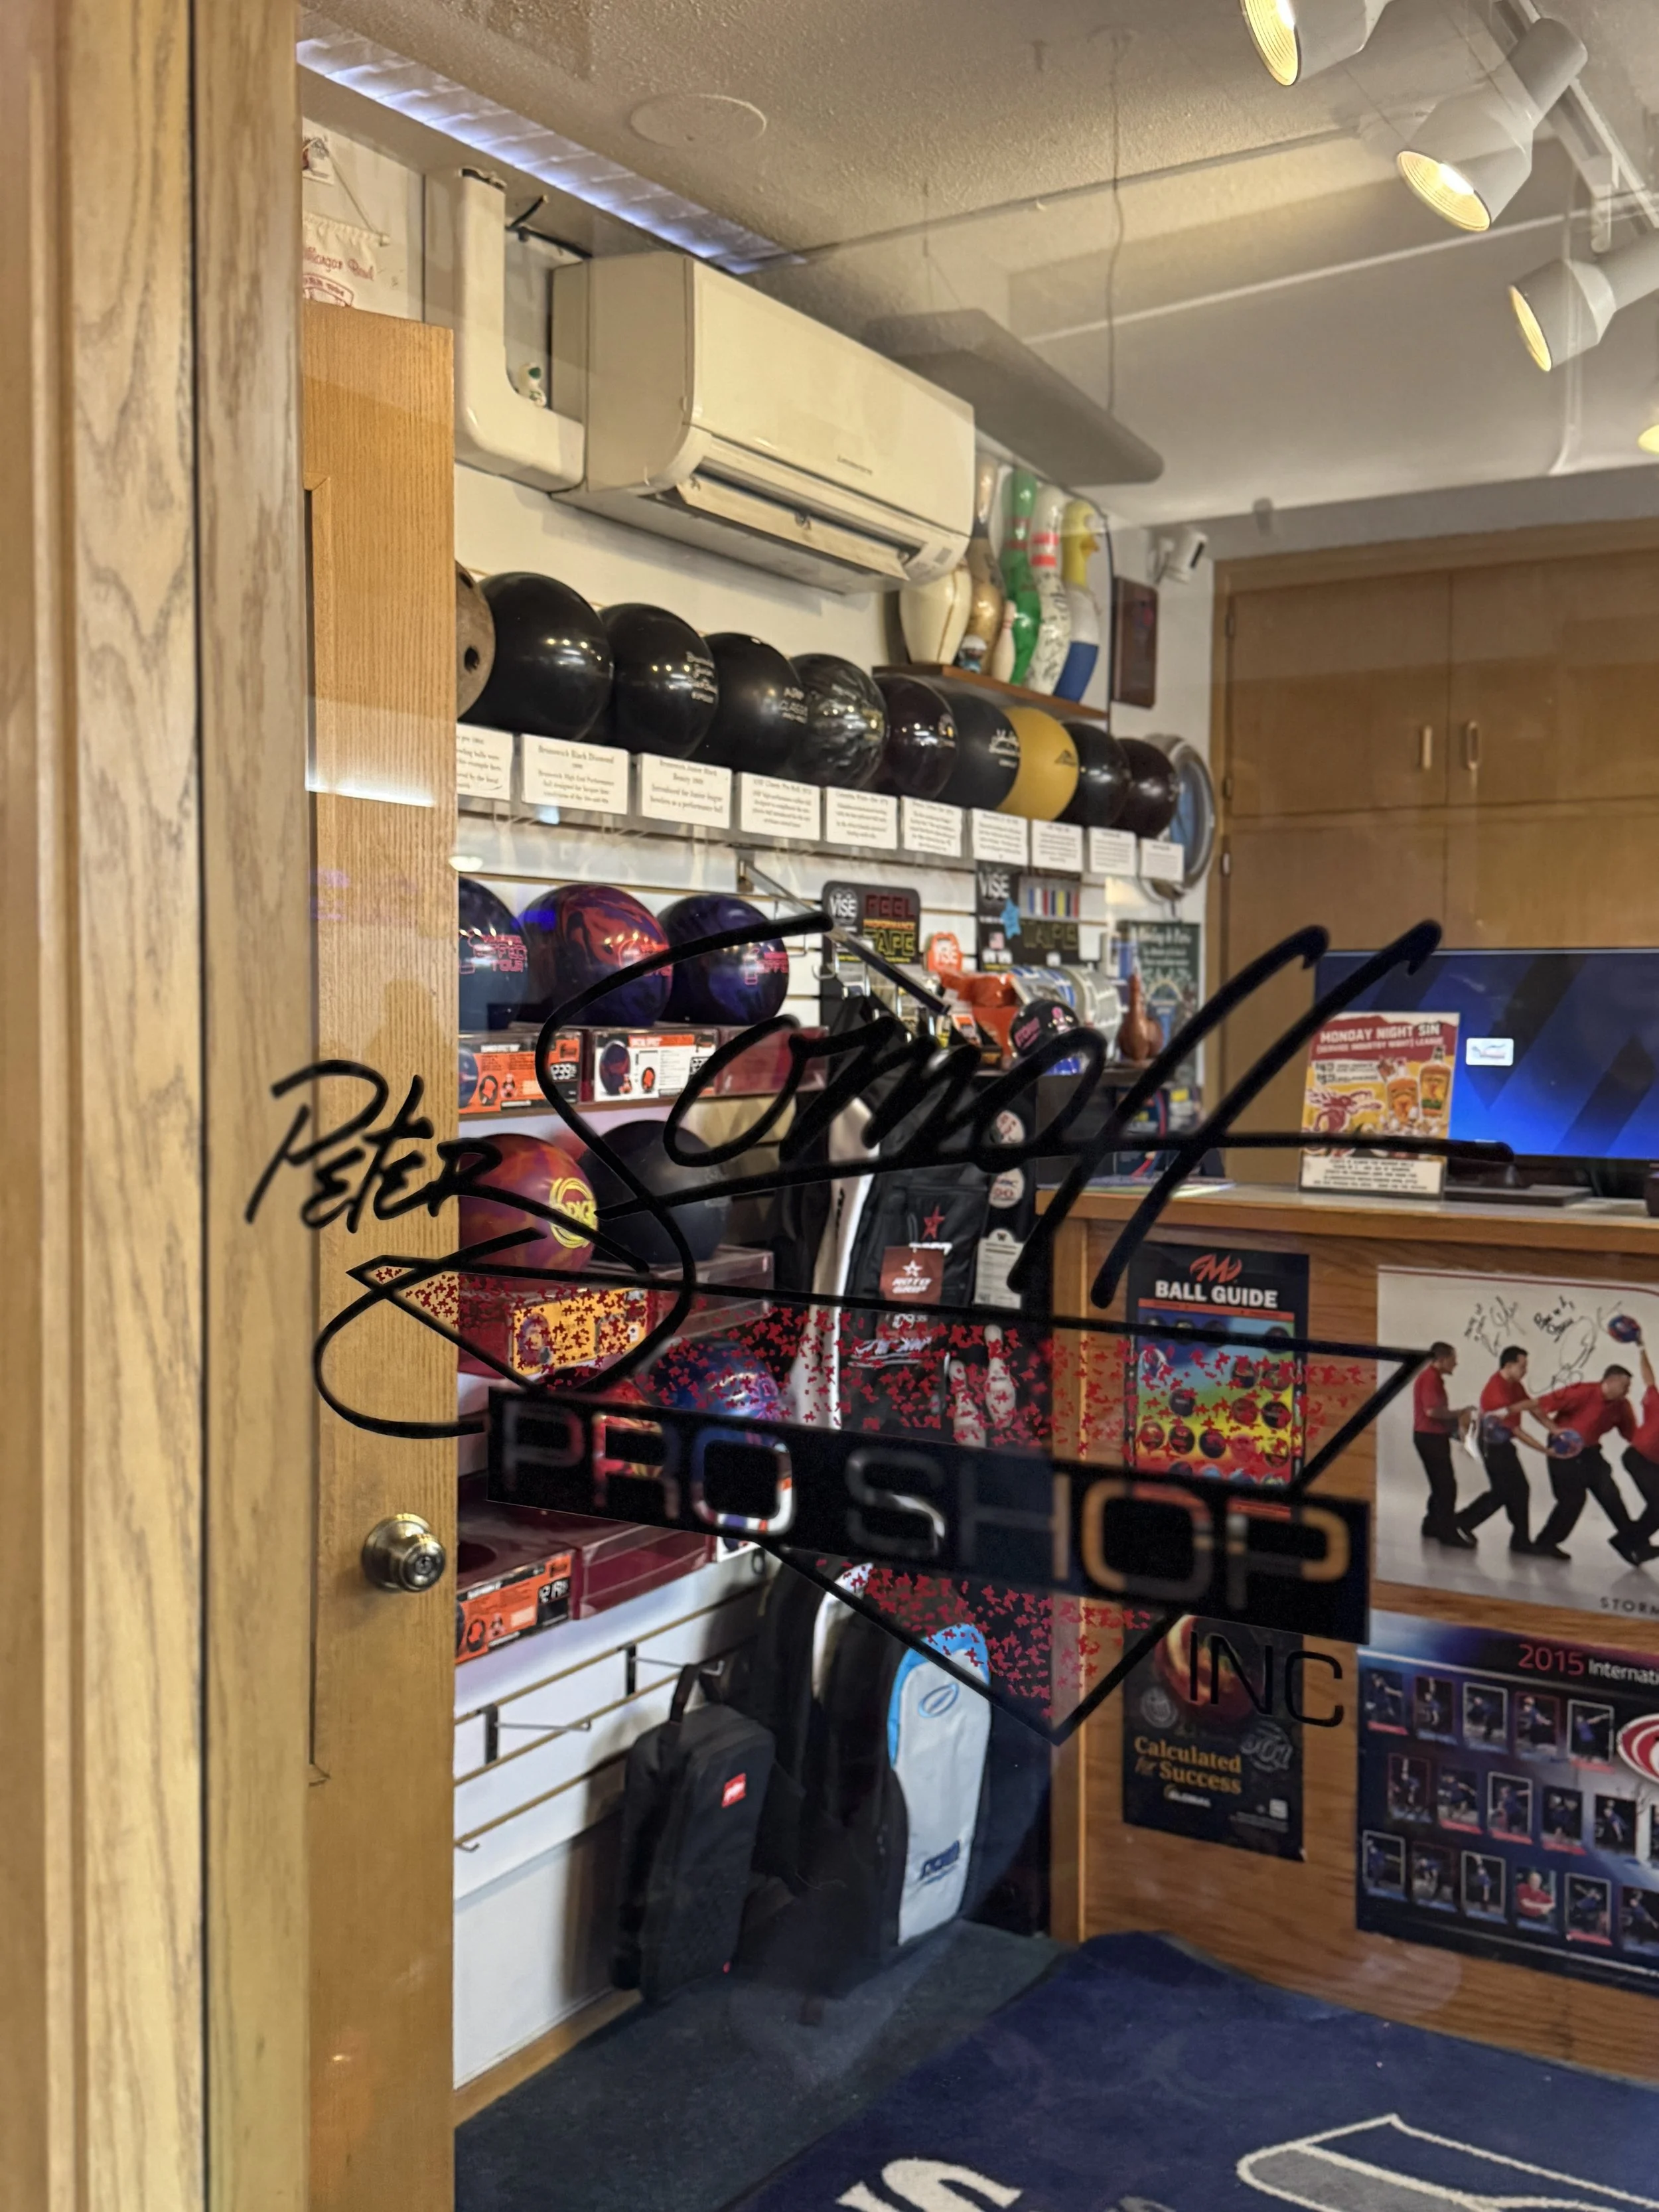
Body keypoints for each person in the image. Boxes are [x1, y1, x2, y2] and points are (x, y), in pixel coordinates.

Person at [1532, 1364, 1656, 1565]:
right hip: (1564, 1449)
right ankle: (1545, 1543)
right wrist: (1555, 1430)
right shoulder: (1581, 1392)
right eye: (1625, 1386)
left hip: (1590, 1453)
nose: (1628, 1391)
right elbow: (1537, 1406)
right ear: (1610, 1382)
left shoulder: (1622, 1406)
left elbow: (1632, 1434)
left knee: (1611, 1495)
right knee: (1572, 1500)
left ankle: (1633, 1544)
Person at [1455, 1344, 1546, 1551]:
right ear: (1509, 1365)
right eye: (1523, 1366)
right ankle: (1461, 1522)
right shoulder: (1497, 1393)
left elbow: (1533, 1407)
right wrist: (1545, 1450)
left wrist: (1555, 1429)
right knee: (1503, 1491)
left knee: (1519, 1489)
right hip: (1491, 1445)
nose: (1526, 1371)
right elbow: (1517, 1431)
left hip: (1503, 1444)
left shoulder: (1514, 1385)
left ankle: (1520, 1540)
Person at [1411, 1342, 1475, 1546]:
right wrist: (1460, 1413)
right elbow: (1432, 1411)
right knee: (1446, 1487)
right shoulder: (1430, 1379)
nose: (1456, 1363)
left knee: (1440, 1486)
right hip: (1430, 1438)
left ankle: (1431, 1525)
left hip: (1431, 1437)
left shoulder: (1432, 1378)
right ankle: (1447, 1533)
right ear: (1441, 1359)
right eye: (1453, 1359)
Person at [1620, 1327, 1659, 1554]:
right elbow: (1648, 1377)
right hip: (1637, 1458)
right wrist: (1642, 1347)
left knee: (1657, 1506)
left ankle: (1633, 1542)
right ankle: (1629, 1542)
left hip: (1653, 1465)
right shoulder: (1656, 1402)